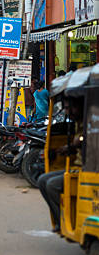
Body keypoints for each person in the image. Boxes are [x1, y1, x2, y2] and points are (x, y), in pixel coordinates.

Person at [38, 97, 84, 233]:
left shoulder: (90, 121)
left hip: (87, 170)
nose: (69, 112)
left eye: (72, 108)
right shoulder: (77, 123)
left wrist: (75, 143)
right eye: (66, 108)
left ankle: (67, 220)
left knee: (52, 185)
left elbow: (82, 140)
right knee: (42, 180)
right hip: (77, 167)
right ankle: (60, 220)